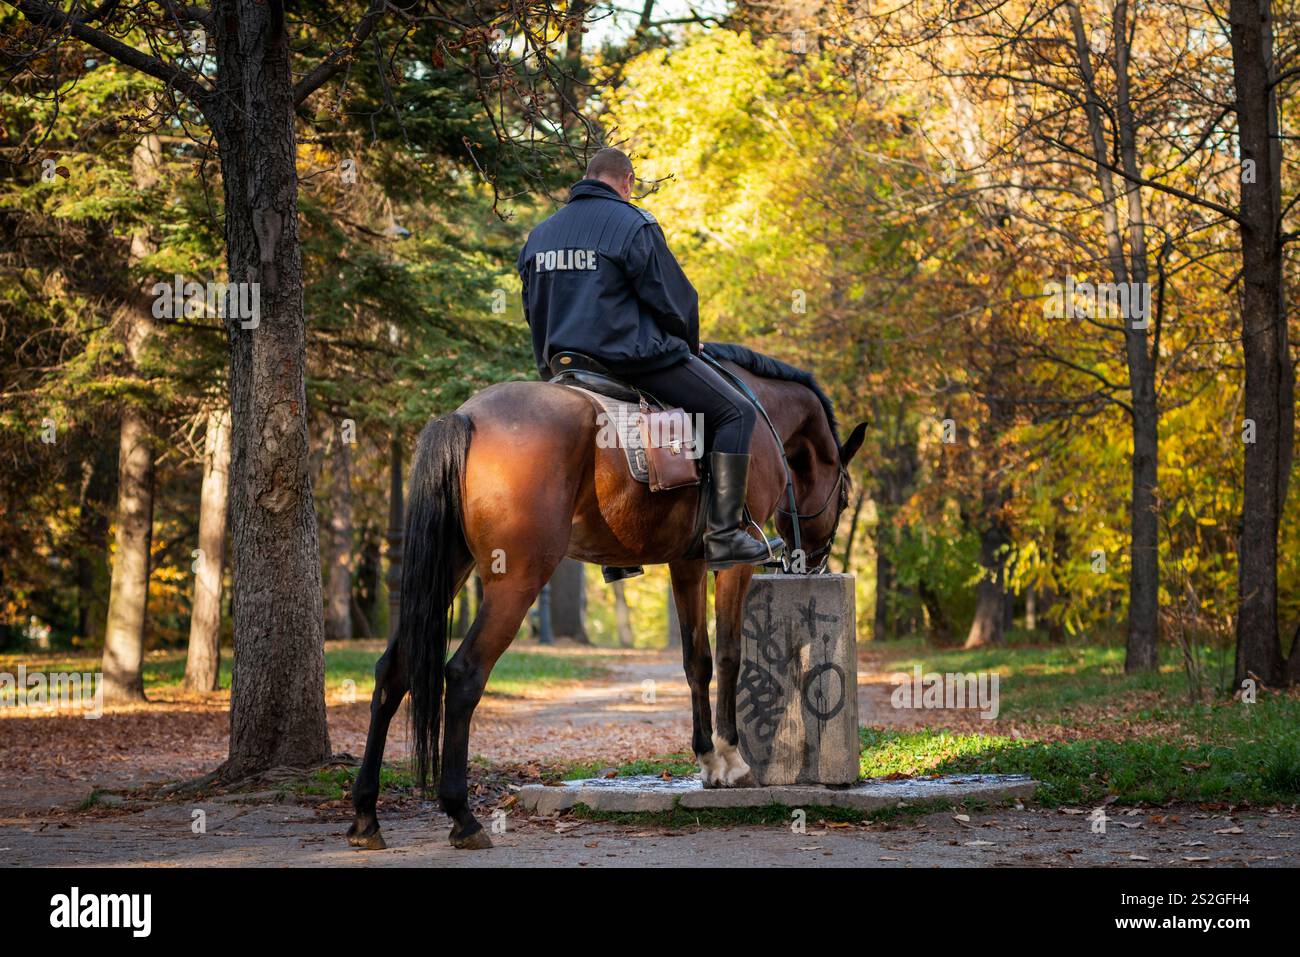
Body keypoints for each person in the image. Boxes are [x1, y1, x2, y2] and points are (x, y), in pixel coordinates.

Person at [517, 147, 769, 569]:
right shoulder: (633, 224)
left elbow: (531, 309)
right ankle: (724, 536)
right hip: (633, 362)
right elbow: (676, 302)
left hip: (565, 369)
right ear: (627, 182)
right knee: (736, 413)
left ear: (588, 177)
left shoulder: (540, 235)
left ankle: (617, 551)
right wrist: (687, 346)